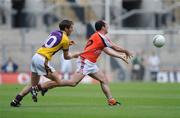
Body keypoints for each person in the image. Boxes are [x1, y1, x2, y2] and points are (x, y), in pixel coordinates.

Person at [38, 20, 133, 106]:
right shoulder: (101, 37)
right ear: (103, 27)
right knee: (73, 83)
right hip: (85, 61)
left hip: (90, 63)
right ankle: (43, 86)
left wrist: (120, 56)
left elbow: (107, 50)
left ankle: (111, 100)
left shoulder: (97, 37)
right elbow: (114, 47)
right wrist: (125, 51)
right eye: (107, 25)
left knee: (104, 79)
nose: (108, 26)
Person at [10, 19, 81, 107]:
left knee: (32, 83)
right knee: (58, 81)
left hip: (36, 56)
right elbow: (66, 57)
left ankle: (16, 100)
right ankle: (39, 88)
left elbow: (54, 43)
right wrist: (75, 55)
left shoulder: (55, 32)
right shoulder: (65, 39)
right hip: (42, 60)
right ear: (66, 28)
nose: (72, 30)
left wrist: (67, 43)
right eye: (71, 28)